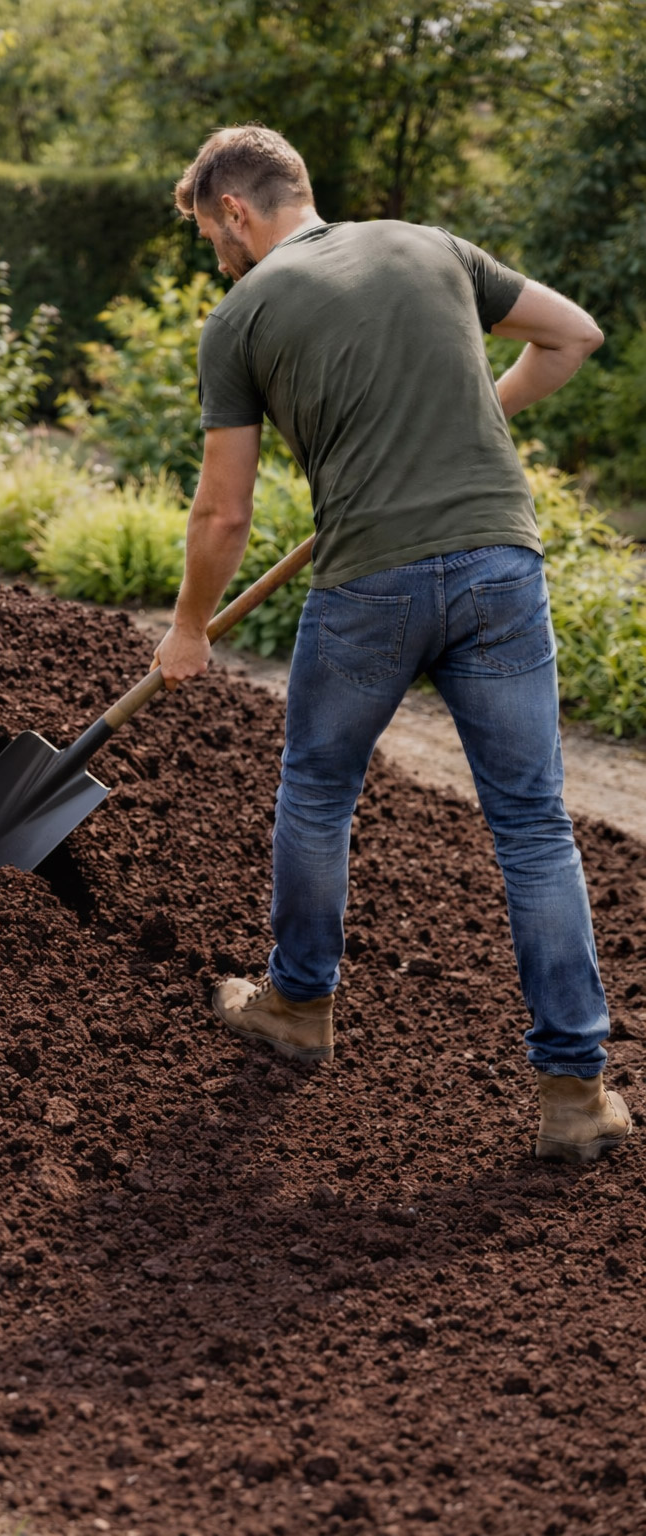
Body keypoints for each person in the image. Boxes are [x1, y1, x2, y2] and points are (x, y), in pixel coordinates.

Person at [151, 124, 630, 1165]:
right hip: (502, 567)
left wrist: (188, 628)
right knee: (534, 826)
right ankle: (573, 1093)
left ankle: (296, 1007)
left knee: (319, 790)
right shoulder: (431, 245)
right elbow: (574, 335)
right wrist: (475, 420)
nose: (214, 257)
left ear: (236, 211)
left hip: (372, 580)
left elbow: (222, 516)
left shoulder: (241, 315)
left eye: (208, 235)